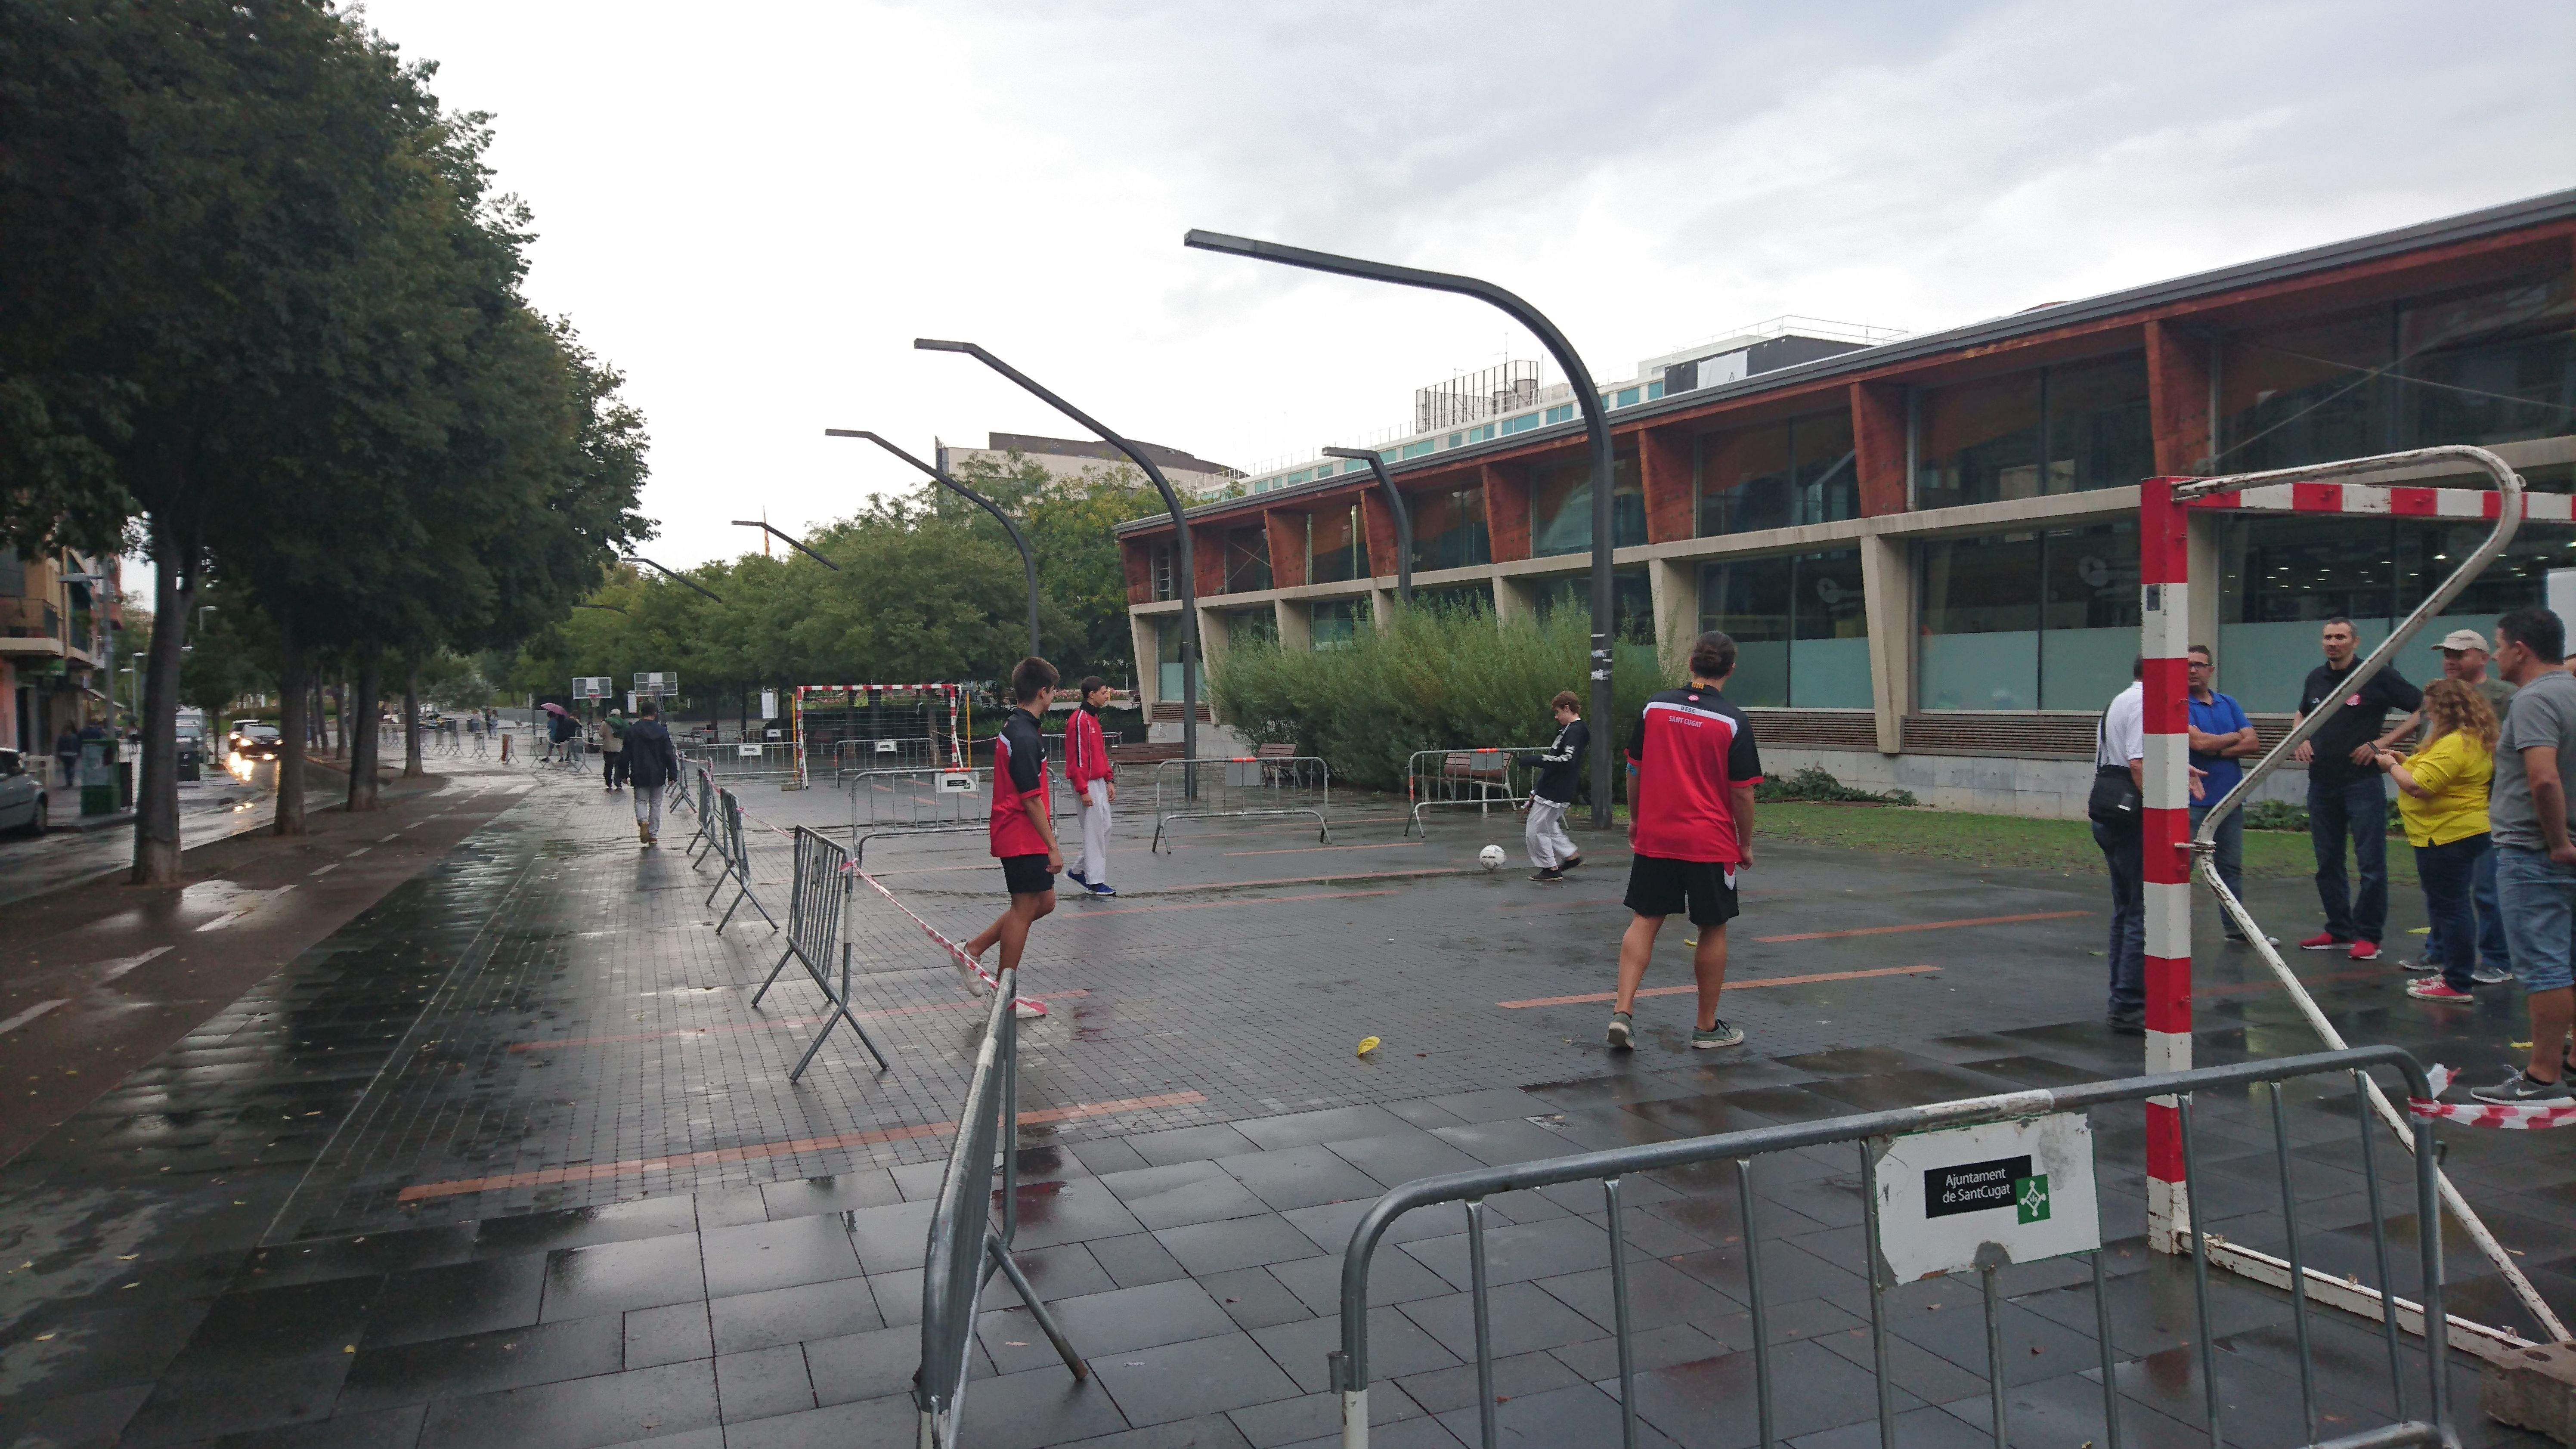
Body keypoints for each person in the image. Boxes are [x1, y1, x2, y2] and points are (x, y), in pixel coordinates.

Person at [1607, 632, 1759, 1053]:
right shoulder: (1732, 721)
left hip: (1657, 834)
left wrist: (1637, 821)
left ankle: (1622, 1012)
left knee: (1645, 918)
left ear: (1690, 663)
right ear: (1730, 668)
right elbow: (1742, 792)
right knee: (1711, 927)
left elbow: (1633, 770)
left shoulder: (1654, 707)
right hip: (1709, 842)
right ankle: (1706, 1028)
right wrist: (1743, 844)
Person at [2473, 607, 2576, 1104]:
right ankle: (2571, 1064)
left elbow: (2542, 777)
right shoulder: (2573, 692)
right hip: (2561, 851)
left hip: (2537, 854)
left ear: (2520, 650)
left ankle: (2541, 1076)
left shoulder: (2533, 699)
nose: (2494, 655)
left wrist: (2557, 842)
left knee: (2546, 967)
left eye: (2497, 645)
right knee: (2569, 963)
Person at [2293, 617, 2423, 961]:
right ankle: (2339, 930)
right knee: (2328, 863)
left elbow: (2424, 708)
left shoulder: (2376, 675)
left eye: (2340, 637)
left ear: (2355, 642)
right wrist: (2301, 736)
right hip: (2321, 784)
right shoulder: (2316, 677)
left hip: (2361, 784)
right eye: (2327, 637)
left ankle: (2369, 936)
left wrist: (2383, 741)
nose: (2333, 643)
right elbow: (2301, 712)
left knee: (2371, 864)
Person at [2376, 678, 2499, 1005]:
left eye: (2431, 709)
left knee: (2452, 908)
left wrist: (2390, 766)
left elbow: (2420, 787)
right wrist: (2404, 761)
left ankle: (2458, 980)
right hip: (2450, 833)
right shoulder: (2466, 740)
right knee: (2450, 906)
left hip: (2448, 834)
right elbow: (2432, 774)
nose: (2427, 715)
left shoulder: (2457, 742)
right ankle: (2452, 973)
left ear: (2445, 709)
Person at [2412, 630, 2515, 985]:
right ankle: (2440, 952)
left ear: (2483, 657)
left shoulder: (2504, 696)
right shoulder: (2441, 698)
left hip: (2486, 809)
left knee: (2485, 889)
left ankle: (2496, 959)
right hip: (2438, 819)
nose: (2451, 660)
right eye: (2447, 654)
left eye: (2460, 654)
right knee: (2443, 893)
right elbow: (2425, 748)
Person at [960, 658, 1061, 1014]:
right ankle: (1004, 1000)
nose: (1055, 695)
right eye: (1053, 689)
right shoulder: (1022, 733)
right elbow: (1030, 798)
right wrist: (1053, 847)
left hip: (1023, 832)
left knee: (1044, 903)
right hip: (1020, 834)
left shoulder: (1022, 727)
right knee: (1024, 909)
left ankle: (972, 950)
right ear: (1042, 692)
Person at [2185, 646, 2268, 944]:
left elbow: (2254, 743)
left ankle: (2237, 929)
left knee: (2230, 868)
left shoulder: (2227, 702)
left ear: (2211, 670)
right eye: (2187, 665)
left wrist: (2216, 747)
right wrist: (2234, 737)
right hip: (2192, 802)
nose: (2192, 671)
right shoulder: (2179, 704)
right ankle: (2164, 933)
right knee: (2182, 868)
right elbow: (2199, 743)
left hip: (2229, 800)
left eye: (2199, 665)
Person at [2092, 660, 2151, 1034]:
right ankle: (2128, 1003)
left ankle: (2123, 997)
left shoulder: (2120, 700)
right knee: (2141, 911)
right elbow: (2139, 763)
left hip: (2108, 810)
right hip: (2132, 816)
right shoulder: (2146, 703)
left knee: (2126, 909)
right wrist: (2163, 812)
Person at [1061, 676, 1118, 898]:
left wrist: (1108, 779)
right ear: (1091, 694)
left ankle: (1079, 871)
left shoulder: (1093, 719)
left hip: (1098, 782)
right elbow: (1077, 758)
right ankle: (1094, 881)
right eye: (1103, 692)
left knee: (1105, 828)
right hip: (1087, 783)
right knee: (1095, 831)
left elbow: (1100, 753)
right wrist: (1083, 789)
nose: (1107, 695)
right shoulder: (1079, 720)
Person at [1524, 690, 1588, 882]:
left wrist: (1536, 759)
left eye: (1558, 712)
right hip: (1553, 787)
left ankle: (1550, 869)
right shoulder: (1571, 730)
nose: (1556, 716)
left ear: (1567, 708)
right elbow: (1558, 762)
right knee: (1548, 826)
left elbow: (1566, 760)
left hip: (1556, 789)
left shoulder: (1577, 730)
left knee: (1536, 829)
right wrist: (1536, 790)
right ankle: (1571, 856)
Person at [622, 698, 679, 846]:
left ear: (641, 713)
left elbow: (625, 754)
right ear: (655, 713)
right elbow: (668, 753)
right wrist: (673, 774)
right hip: (658, 773)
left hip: (639, 771)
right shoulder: (662, 731)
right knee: (656, 804)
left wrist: (623, 773)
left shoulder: (632, 731)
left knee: (640, 801)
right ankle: (653, 835)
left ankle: (643, 821)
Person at [600, 707, 629, 791]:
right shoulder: (624, 723)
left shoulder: (605, 722)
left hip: (608, 748)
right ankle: (618, 781)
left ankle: (609, 781)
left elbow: (601, 734)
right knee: (618, 766)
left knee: (608, 765)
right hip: (620, 748)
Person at [53, 723, 80, 790]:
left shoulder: (62, 737)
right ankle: (71, 780)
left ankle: (68, 781)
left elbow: (59, 747)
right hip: (73, 754)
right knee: (72, 767)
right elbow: (78, 746)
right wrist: (78, 753)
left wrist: (58, 755)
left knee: (66, 768)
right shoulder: (75, 737)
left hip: (64, 754)